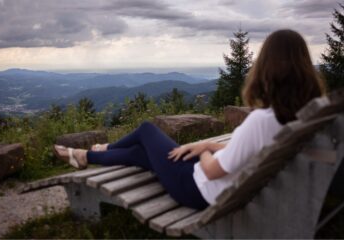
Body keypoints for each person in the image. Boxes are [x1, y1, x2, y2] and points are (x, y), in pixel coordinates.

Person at [54, 29, 325, 210]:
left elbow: (210, 171)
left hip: (197, 189)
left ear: (266, 68)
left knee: (148, 130)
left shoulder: (262, 120)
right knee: (140, 153)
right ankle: (87, 156)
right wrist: (205, 148)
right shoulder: (303, 116)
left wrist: (205, 148)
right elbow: (255, 152)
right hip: (231, 186)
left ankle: (99, 150)